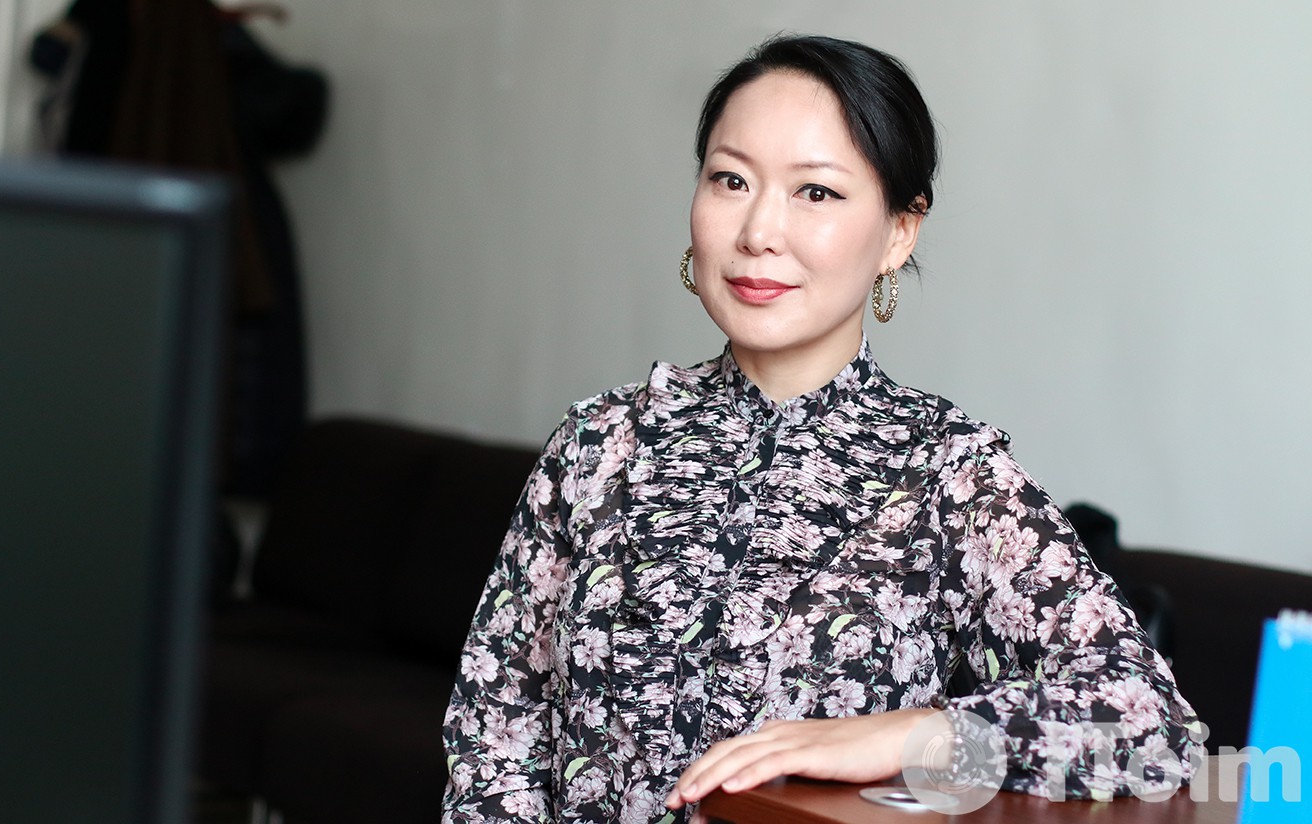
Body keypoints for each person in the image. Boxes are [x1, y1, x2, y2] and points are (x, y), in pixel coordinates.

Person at [442, 34, 1200, 823]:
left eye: (816, 192)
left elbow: (1151, 724)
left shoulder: (948, 475)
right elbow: (495, 733)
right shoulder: (600, 444)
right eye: (731, 180)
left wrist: (916, 736)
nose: (758, 231)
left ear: (900, 231)